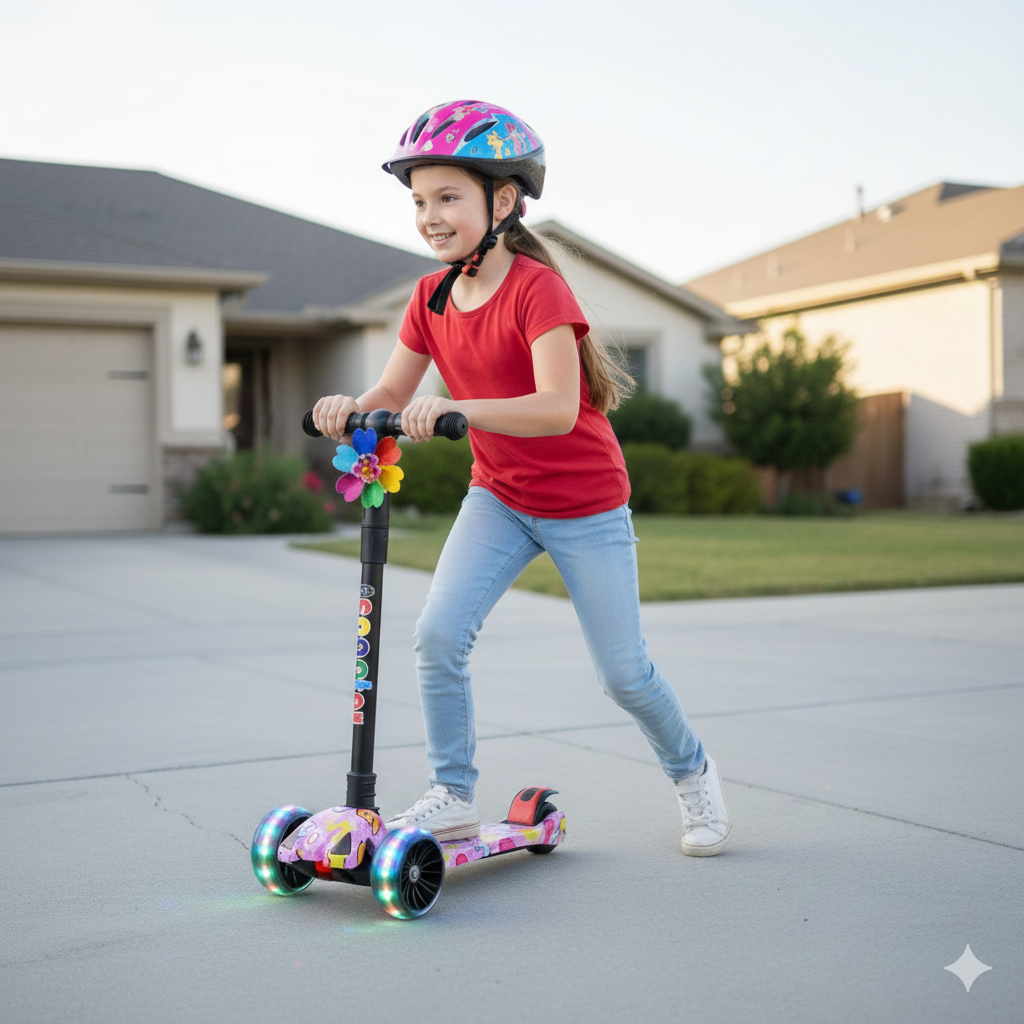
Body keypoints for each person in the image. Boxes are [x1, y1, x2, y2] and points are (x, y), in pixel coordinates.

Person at [313, 100, 731, 856]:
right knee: (437, 636)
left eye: (448, 197)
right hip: (499, 498)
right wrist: (349, 408)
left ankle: (693, 773)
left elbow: (556, 407)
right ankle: (452, 794)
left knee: (624, 675)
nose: (430, 216)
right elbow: (390, 394)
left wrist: (457, 407)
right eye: (419, 201)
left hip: (585, 505)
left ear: (502, 201)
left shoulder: (537, 289)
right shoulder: (429, 298)